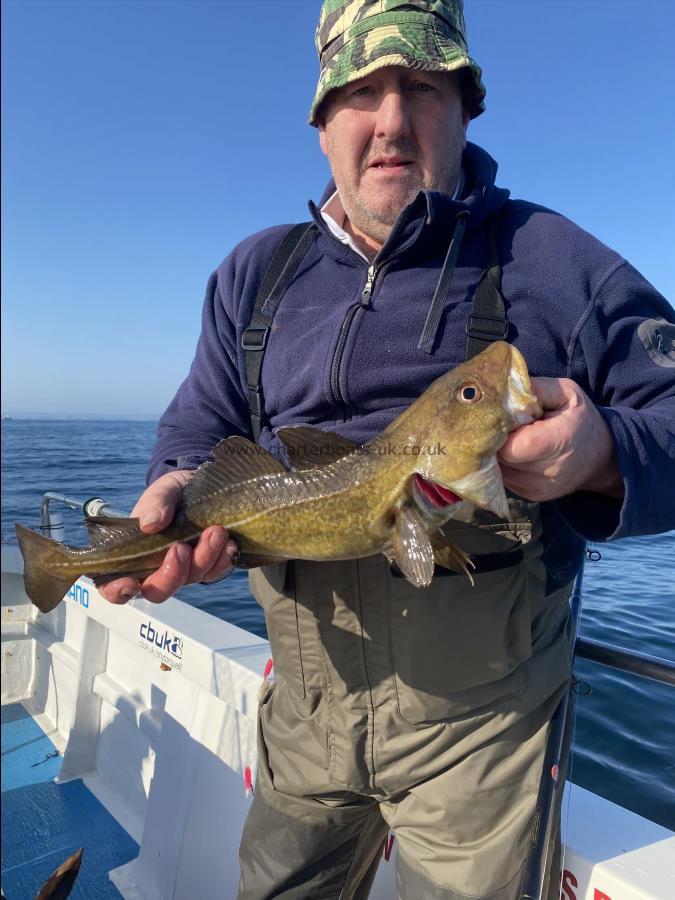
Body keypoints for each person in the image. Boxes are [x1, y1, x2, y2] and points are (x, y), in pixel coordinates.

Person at [100, 1, 675, 897]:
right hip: (303, 701)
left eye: (424, 88)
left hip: (482, 729)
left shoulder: (557, 260)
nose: (392, 121)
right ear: (322, 120)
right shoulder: (255, 273)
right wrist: (172, 487)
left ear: (466, 106)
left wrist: (604, 451)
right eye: (362, 91)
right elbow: (198, 426)